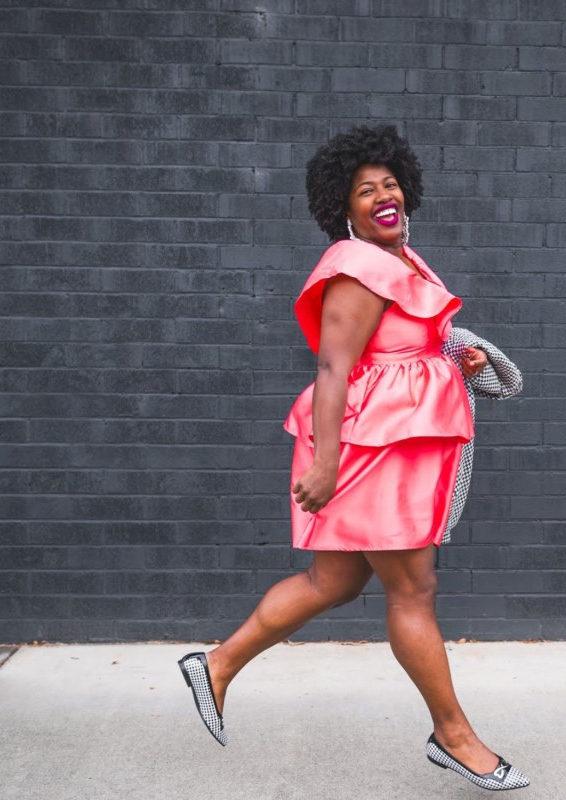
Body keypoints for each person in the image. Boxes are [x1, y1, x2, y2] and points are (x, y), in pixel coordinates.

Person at [178, 125, 529, 792]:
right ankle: (453, 735)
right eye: (365, 189)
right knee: (414, 588)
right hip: (365, 449)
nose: (383, 195)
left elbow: (400, 345)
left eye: (390, 183)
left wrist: (458, 356)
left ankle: (215, 665)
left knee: (332, 583)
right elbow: (334, 369)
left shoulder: (402, 258)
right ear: (344, 206)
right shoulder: (356, 265)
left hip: (387, 440)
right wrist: (326, 464)